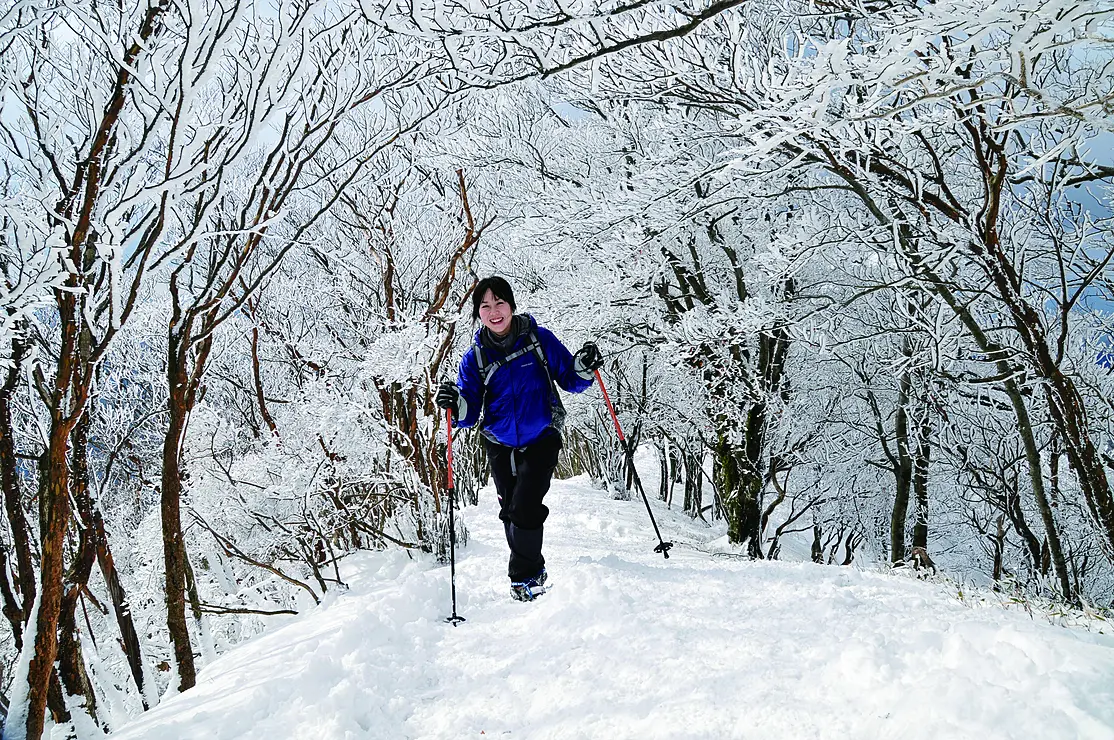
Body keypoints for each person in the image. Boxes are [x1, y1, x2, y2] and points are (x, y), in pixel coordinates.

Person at [435, 276, 603, 602]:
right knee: (510, 511)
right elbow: (468, 415)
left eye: (500, 303)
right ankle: (533, 570)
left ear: (511, 305)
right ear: (478, 314)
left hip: (542, 435)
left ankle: (523, 579)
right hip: (499, 443)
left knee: (525, 506)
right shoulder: (475, 359)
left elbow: (570, 378)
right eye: (486, 306)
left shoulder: (538, 340)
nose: (494, 311)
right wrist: (455, 403)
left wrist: (583, 367)